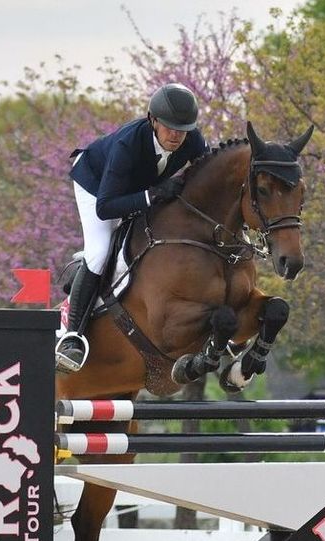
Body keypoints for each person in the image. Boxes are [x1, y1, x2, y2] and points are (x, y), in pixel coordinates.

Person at [56, 82, 209, 373]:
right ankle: (72, 335)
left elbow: (207, 172)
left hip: (134, 188)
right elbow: (106, 206)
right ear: (153, 120)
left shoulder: (191, 139)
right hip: (96, 186)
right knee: (100, 251)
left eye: (183, 128)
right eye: (169, 127)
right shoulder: (128, 143)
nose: (176, 135)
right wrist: (152, 196)